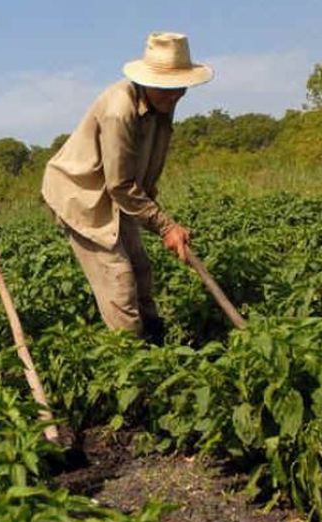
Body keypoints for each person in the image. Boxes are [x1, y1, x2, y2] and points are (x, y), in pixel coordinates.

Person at [42, 32, 214, 344]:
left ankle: (155, 342)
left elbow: (140, 172)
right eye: (168, 88)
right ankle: (130, 357)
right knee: (119, 282)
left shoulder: (163, 102)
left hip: (117, 194)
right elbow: (120, 184)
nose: (175, 96)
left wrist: (159, 220)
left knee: (141, 270)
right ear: (148, 81)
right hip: (82, 196)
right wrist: (166, 226)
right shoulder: (119, 109)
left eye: (180, 88)